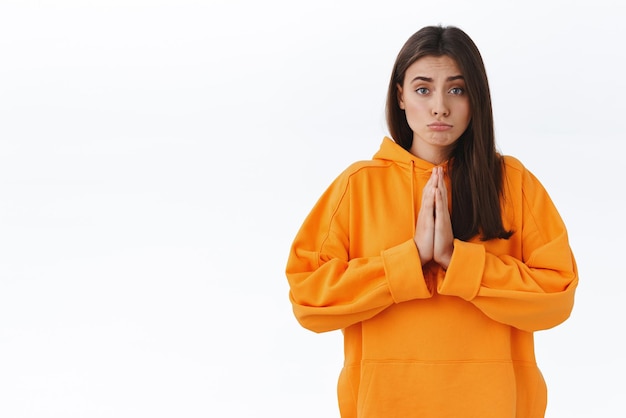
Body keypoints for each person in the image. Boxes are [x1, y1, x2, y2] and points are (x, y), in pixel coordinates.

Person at [285, 25, 578, 418]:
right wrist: (410, 261)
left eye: (456, 89)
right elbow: (308, 298)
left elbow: (557, 294)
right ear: (400, 96)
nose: (440, 106)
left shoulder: (512, 183)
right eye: (423, 89)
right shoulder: (359, 186)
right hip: (385, 406)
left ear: (476, 98)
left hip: (495, 407)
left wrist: (458, 260)